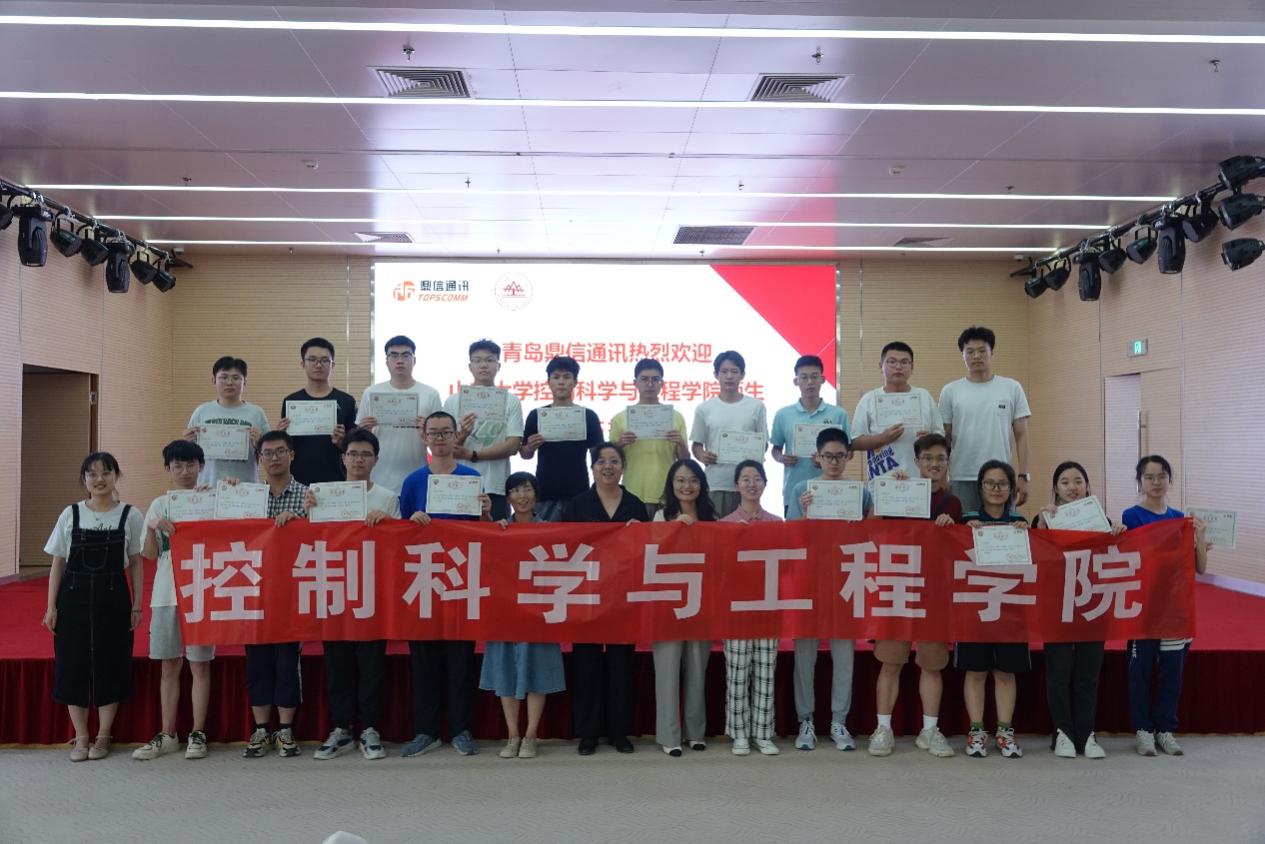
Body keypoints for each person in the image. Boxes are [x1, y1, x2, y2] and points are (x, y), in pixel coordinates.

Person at [399, 411, 493, 759]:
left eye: (446, 432)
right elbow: (399, 535)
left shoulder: (471, 478)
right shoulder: (413, 481)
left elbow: (483, 532)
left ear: (456, 437)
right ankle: (426, 731)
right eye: (434, 433)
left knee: (460, 661)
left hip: (460, 579)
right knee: (423, 662)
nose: (439, 438)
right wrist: (412, 521)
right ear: (424, 437)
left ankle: (461, 729)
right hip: (423, 579)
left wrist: (486, 513)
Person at [42, 452, 146, 762]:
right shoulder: (70, 513)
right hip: (72, 598)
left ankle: (103, 735)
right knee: (71, 663)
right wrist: (51, 606)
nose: (99, 479)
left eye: (106, 473)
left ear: (116, 476)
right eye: (92, 474)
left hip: (114, 598)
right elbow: (58, 562)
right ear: (84, 479)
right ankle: (82, 736)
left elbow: (136, 563)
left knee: (111, 662)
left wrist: (137, 605)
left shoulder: (130, 515)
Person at [866, 433, 959, 759]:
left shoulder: (952, 502)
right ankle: (883, 728)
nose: (934, 464)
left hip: (933, 592)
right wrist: (888, 492)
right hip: (898, 586)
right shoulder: (900, 490)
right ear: (917, 461)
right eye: (928, 458)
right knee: (891, 662)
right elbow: (872, 526)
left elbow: (958, 548)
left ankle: (929, 730)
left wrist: (950, 526)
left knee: (932, 664)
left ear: (947, 462)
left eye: (940, 458)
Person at [310, 429, 400, 762]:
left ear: (376, 460)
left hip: (372, 593)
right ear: (343, 458)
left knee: (371, 664)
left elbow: (401, 545)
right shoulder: (322, 495)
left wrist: (388, 523)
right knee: (338, 664)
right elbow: (310, 540)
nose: (359, 460)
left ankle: (370, 728)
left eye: (365, 454)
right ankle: (341, 728)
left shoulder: (388, 498)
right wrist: (307, 513)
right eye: (353, 454)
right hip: (334, 589)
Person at [1033, 461, 1125, 760]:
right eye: (1064, 482)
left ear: (1087, 486)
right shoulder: (1044, 518)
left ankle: (1087, 733)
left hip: (1091, 603)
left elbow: (1117, 557)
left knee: (1089, 672)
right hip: (1058, 604)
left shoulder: (1101, 519)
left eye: (1078, 481)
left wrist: (1118, 533)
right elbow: (1035, 559)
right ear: (1055, 488)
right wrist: (1041, 528)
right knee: (1058, 671)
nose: (1072, 487)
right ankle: (1062, 733)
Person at [787, 427, 871, 752]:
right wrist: (805, 515)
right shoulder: (802, 490)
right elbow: (790, 539)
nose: (834, 462)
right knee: (804, 654)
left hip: (846, 577)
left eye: (839, 456)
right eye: (828, 456)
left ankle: (839, 720)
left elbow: (870, 536)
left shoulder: (860, 493)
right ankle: (805, 720)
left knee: (844, 654)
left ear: (848, 457)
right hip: (809, 578)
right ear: (817, 457)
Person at [132, 441, 216, 762]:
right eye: (177, 466)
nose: (184, 471)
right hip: (166, 594)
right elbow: (150, 555)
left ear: (201, 466)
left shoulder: (212, 498)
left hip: (202, 593)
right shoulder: (159, 505)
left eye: (191, 465)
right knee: (169, 665)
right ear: (167, 469)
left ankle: (198, 732)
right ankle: (168, 734)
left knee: (199, 664)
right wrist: (152, 526)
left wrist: (228, 491)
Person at [1121, 454, 1210, 758]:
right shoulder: (1132, 516)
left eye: (1161, 476)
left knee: (1172, 671)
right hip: (1144, 608)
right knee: (1141, 671)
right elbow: (1140, 559)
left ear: (1170, 480)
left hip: (1175, 609)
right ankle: (1143, 730)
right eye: (1149, 477)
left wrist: (1199, 538)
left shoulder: (1180, 518)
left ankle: (1165, 729)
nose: (1156, 482)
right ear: (1140, 481)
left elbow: (1199, 567)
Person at [564, 443, 649, 755]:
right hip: (586, 594)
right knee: (586, 664)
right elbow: (566, 548)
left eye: (614, 461)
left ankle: (618, 732)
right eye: (601, 461)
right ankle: (588, 733)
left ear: (623, 467)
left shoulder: (635, 505)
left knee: (620, 665)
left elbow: (646, 553)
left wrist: (641, 534)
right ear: (592, 468)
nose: (608, 467)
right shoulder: (577, 504)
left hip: (622, 595)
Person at [481, 472, 566, 760]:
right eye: (515, 490)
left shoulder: (549, 530)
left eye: (527, 489)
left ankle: (530, 735)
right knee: (505, 669)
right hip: (505, 611)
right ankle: (512, 735)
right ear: (508, 497)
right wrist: (491, 525)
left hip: (539, 611)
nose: (522, 496)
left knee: (537, 669)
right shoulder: (500, 528)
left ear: (536, 494)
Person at [956, 459, 1030, 759]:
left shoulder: (1020, 522)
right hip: (975, 607)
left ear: (1011, 489)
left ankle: (1005, 731)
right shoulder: (967, 519)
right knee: (976, 671)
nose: (996, 489)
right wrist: (961, 532)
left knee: (1005, 672)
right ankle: (976, 731)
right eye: (990, 483)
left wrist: (1028, 532)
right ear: (980, 487)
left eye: (1002, 484)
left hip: (1011, 607)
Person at [241, 431, 308, 759]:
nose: (275, 458)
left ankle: (285, 729)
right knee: (256, 661)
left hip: (292, 591)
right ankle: (260, 729)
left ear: (292, 455)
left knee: (286, 661)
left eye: (281, 451)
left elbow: (325, 537)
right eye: (268, 453)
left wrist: (301, 521)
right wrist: (224, 494)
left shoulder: (309, 496)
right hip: (253, 589)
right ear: (260, 459)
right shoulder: (247, 497)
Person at [650, 459, 714, 756]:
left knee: (698, 669)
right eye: (680, 480)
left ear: (701, 484)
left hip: (702, 601)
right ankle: (669, 735)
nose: (687, 486)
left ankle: (695, 732)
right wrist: (674, 529)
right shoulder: (661, 516)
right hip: (668, 602)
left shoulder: (712, 518)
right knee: (667, 670)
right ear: (671, 484)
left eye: (693, 480)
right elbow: (652, 554)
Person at [719, 460, 781, 756]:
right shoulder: (724, 525)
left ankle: (763, 733)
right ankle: (739, 733)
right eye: (745, 479)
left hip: (768, 605)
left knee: (766, 671)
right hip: (737, 607)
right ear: (736, 486)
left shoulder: (776, 523)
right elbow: (719, 569)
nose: (751, 484)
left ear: (765, 484)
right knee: (738, 671)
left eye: (757, 478)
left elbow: (787, 566)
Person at [939, 327, 1032, 512]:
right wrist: (942, 477)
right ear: (962, 356)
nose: (976, 356)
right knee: (963, 528)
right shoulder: (950, 391)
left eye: (982, 351)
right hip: (962, 477)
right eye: (970, 352)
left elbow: (1022, 436)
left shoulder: (1012, 387)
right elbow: (944, 439)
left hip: (1000, 478)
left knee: (1003, 529)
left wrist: (1023, 476)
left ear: (992, 353)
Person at [447, 339, 525, 522]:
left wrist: (473, 454)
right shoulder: (453, 401)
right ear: (470, 366)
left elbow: (513, 445)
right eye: (478, 360)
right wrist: (463, 435)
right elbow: (446, 448)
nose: (484, 365)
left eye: (490, 360)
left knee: (496, 535)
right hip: (459, 483)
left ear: (498, 365)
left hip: (496, 485)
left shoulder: (511, 401)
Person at [355, 335, 443, 495]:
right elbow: (360, 440)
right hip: (379, 477)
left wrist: (428, 431)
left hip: (418, 476)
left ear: (414, 360)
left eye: (405, 355)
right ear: (386, 361)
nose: (400, 360)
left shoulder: (430, 394)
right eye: (394, 355)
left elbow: (441, 440)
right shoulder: (371, 393)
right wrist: (364, 431)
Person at [520, 355, 603, 521]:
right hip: (545, 490)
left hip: (579, 491)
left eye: (566, 377)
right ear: (548, 382)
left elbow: (598, 455)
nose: (561, 382)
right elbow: (525, 454)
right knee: (545, 536)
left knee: (578, 537)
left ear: (575, 382)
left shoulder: (588, 416)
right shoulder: (537, 415)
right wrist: (530, 447)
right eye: (556, 377)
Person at [851, 342, 944, 481]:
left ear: (912, 367)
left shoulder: (924, 396)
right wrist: (883, 438)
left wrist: (930, 438)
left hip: (920, 478)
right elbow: (854, 442)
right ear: (881, 366)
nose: (898, 367)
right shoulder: (869, 399)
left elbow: (941, 436)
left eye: (904, 362)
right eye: (892, 362)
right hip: (882, 479)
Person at [691, 350, 769, 515]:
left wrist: (754, 451)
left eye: (734, 371)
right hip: (717, 482)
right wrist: (703, 456)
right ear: (716, 375)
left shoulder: (756, 406)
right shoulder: (704, 409)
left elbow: (764, 444)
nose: (729, 376)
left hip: (748, 485)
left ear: (742, 375)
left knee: (749, 529)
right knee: (717, 529)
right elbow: (696, 446)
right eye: (724, 371)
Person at [609, 358, 689, 518]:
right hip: (632, 492)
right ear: (635, 383)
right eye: (644, 379)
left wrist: (680, 444)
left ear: (662, 383)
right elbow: (609, 460)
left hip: (667, 492)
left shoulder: (675, 417)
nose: (650, 384)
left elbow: (685, 461)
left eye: (655, 379)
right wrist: (620, 444)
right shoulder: (620, 418)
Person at [771, 354, 849, 516]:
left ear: (823, 379)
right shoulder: (783, 414)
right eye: (804, 377)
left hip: (831, 491)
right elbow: (776, 448)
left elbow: (849, 452)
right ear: (796, 381)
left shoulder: (838, 414)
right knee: (796, 532)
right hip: (794, 489)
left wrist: (826, 460)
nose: (809, 382)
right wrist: (781, 458)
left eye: (814, 376)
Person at [279, 337, 356, 485]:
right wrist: (281, 435)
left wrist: (342, 442)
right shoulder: (291, 401)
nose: (318, 365)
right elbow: (287, 447)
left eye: (324, 360)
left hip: (337, 478)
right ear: (303, 364)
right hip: (298, 480)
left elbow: (354, 447)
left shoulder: (346, 401)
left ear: (332, 365)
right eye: (312, 359)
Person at [184, 355, 270, 485]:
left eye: (236, 378)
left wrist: (259, 443)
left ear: (245, 382)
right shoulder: (202, 411)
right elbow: (190, 455)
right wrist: (187, 442)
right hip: (208, 485)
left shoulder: (256, 413)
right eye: (224, 377)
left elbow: (269, 454)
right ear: (214, 380)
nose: (230, 382)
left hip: (245, 486)